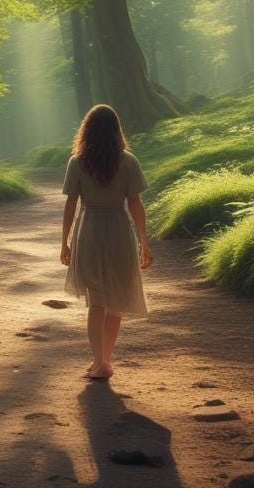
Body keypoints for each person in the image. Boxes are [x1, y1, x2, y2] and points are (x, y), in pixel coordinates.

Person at [60, 104, 152, 380]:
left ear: (86, 130)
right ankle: (105, 361)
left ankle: (100, 361)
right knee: (115, 300)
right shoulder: (128, 161)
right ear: (116, 130)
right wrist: (143, 242)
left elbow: (71, 203)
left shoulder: (77, 162)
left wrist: (64, 242)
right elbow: (135, 203)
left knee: (96, 301)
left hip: (88, 229)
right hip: (118, 231)